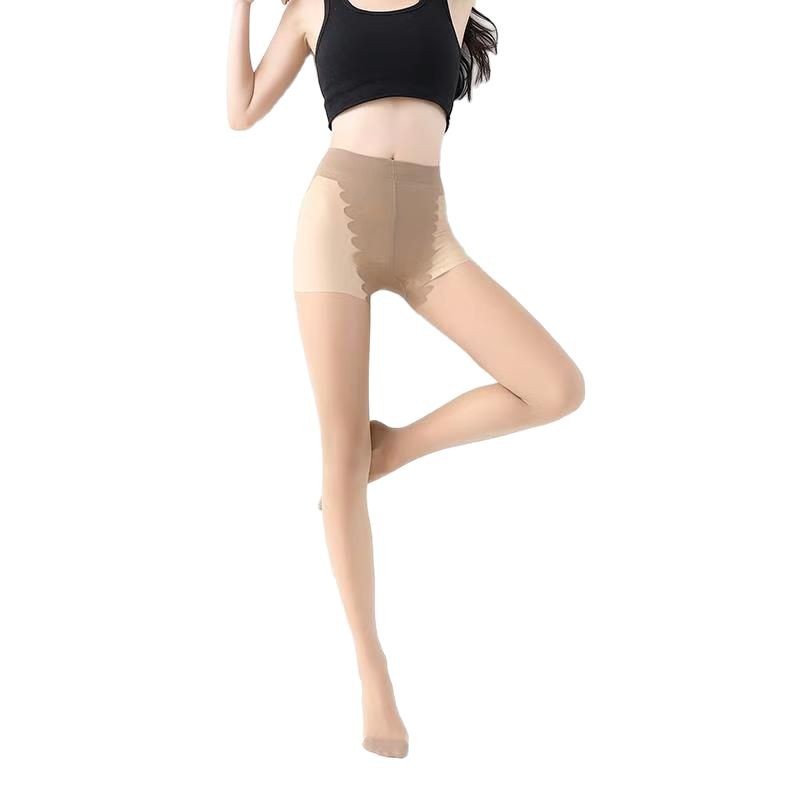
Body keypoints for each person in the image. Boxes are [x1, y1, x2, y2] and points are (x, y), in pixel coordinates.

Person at [227, 0, 585, 759]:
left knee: (555, 387)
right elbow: (242, 110)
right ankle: (373, 671)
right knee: (337, 452)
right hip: (335, 223)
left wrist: (394, 448)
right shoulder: (311, 8)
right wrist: (240, 7)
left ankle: (389, 449)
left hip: (428, 236)